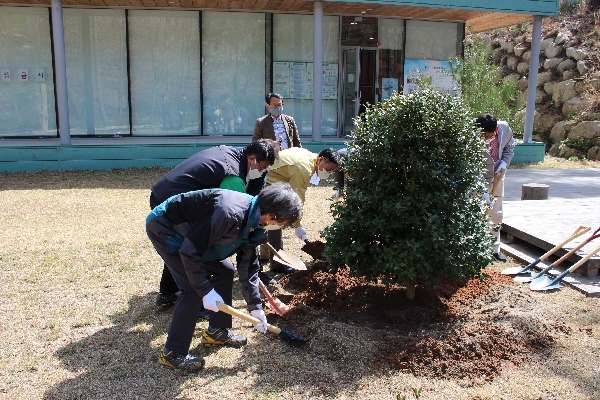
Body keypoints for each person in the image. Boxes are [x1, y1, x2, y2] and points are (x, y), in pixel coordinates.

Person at [147, 183, 303, 372]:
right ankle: (173, 353)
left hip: (193, 235)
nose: (281, 227)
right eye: (283, 223)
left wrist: (255, 307)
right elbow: (189, 251)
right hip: (167, 228)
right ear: (271, 215)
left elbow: (249, 266)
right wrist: (205, 291)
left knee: (225, 270)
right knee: (192, 288)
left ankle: (217, 331)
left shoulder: (257, 222)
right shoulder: (228, 212)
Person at [150, 140, 279, 312]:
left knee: (183, 244)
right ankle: (200, 297)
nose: (262, 171)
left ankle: (168, 293)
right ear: (253, 158)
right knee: (194, 245)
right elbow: (236, 216)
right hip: (169, 203)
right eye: (262, 167)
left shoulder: (234, 154)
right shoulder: (233, 177)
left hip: (166, 192)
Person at [261, 147, 340, 280]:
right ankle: (261, 266)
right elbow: (297, 198)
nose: (329, 173)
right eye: (328, 169)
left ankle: (275, 262)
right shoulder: (303, 167)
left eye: (332, 171)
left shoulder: (310, 158)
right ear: (321, 159)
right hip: (264, 180)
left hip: (273, 180)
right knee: (266, 222)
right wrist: (297, 225)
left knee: (273, 224)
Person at [477, 114, 515, 262]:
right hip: (479, 177)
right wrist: (483, 191)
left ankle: (494, 249)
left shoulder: (504, 128)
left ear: (495, 130)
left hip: (498, 175)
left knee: (496, 213)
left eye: (488, 134)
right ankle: (477, 248)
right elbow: (472, 168)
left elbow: (510, 145)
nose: (486, 137)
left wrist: (505, 162)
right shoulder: (470, 137)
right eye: (483, 135)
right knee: (478, 211)